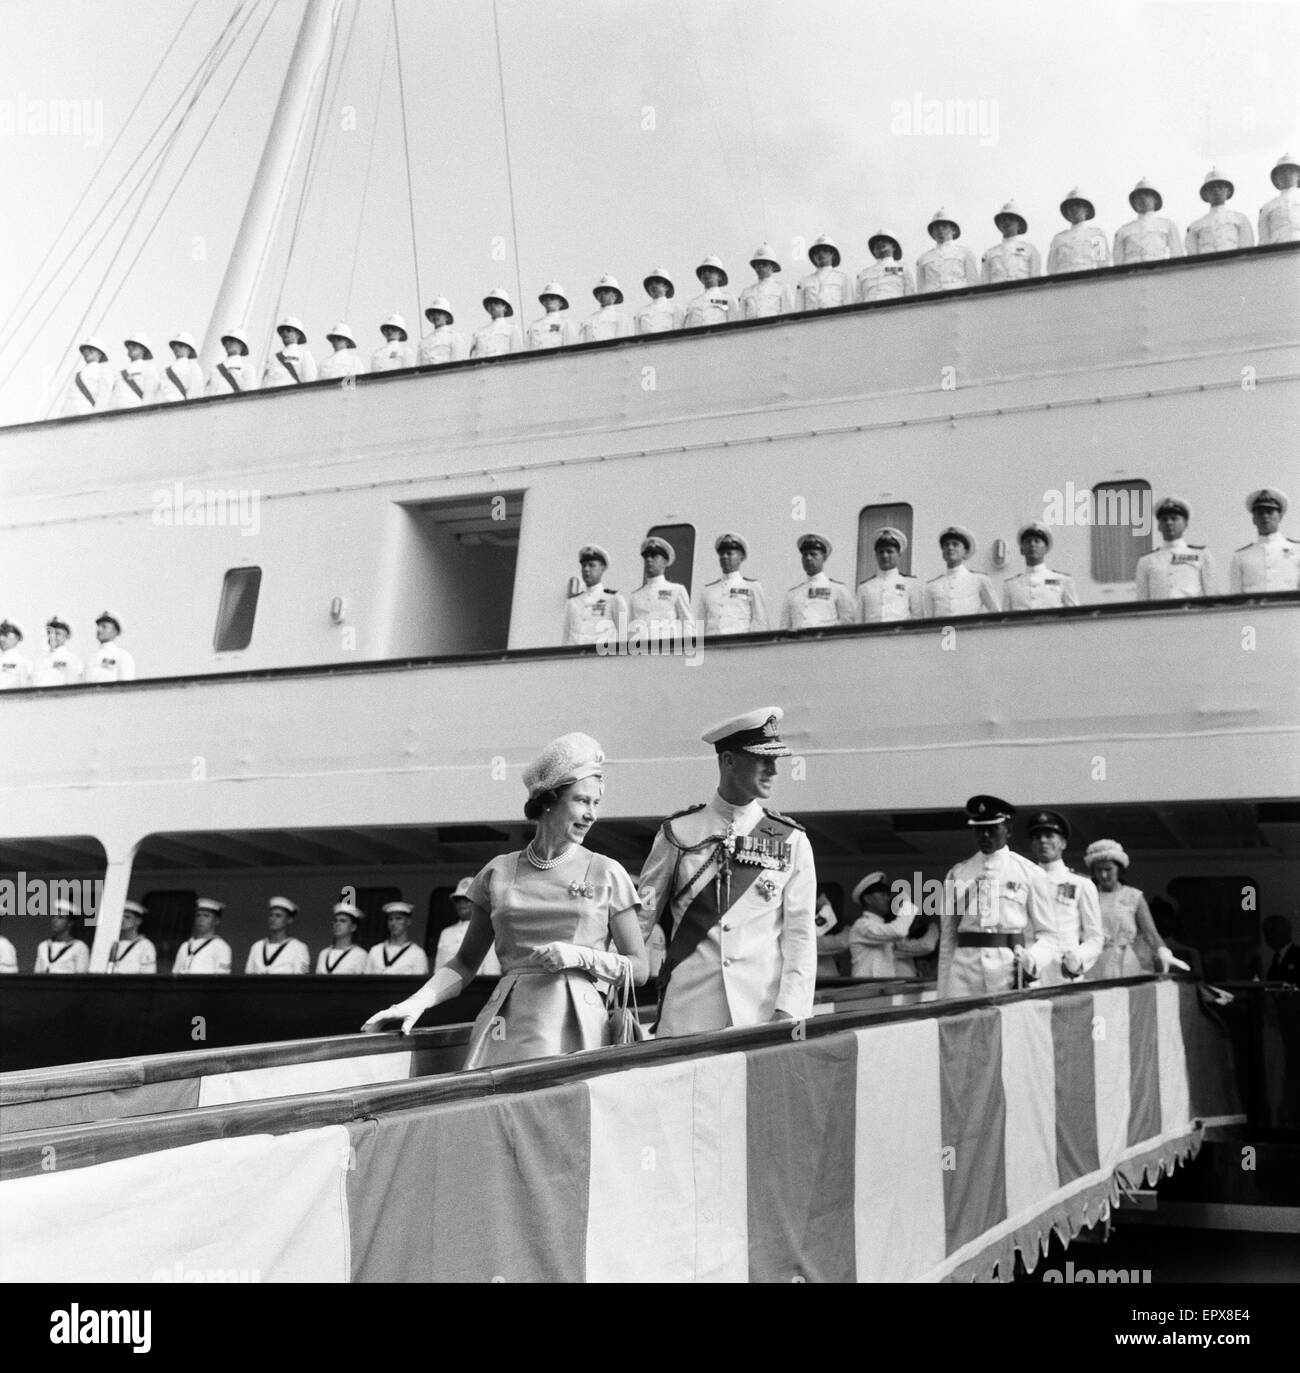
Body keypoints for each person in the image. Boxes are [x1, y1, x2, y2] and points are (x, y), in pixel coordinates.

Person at [362, 733, 648, 1067]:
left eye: (595, 804)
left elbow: (639, 969)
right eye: (582, 801)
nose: (592, 815)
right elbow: (466, 962)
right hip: (508, 1023)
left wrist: (581, 956)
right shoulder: (498, 872)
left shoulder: (606, 872)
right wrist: (417, 1001)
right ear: (549, 799)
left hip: (579, 1024)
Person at [637, 707, 816, 1035]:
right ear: (729, 760)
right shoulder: (678, 833)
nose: (773, 770)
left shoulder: (792, 840)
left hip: (759, 1015)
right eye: (762, 758)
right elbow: (641, 919)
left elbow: (800, 936)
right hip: (687, 1014)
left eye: (775, 760)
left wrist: (790, 1010)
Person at [937, 795, 1055, 999]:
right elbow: (948, 938)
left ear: (1008, 830)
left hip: (1007, 970)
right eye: (979, 829)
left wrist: (1032, 960)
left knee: (1010, 1028)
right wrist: (943, 990)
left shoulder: (1029, 873)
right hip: (963, 972)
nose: (984, 835)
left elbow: (1049, 935)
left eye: (992, 829)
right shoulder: (958, 873)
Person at [1082, 839, 1187, 980]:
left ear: (1119, 869)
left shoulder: (1134, 896)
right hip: (1094, 962)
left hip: (1128, 963)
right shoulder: (1089, 896)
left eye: (1108, 869)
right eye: (1098, 870)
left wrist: (1163, 952)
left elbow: (1150, 933)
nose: (1103, 875)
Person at [1026, 809, 1103, 985]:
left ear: (1063, 843)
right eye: (1037, 837)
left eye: (1049, 835)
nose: (1043, 841)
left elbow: (1095, 937)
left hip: (1064, 971)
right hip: (1030, 972)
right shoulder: (1024, 881)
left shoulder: (1081, 884)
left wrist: (1077, 959)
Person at [844, 872, 934, 978]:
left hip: (882, 990)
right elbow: (899, 931)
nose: (887, 899)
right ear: (868, 899)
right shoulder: (862, 925)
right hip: (867, 990)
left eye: (887, 895)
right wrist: (907, 906)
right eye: (882, 895)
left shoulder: (883, 926)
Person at [1135, 497, 1216, 599]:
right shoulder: (1146, 561)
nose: (1169, 523)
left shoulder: (1201, 555)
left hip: (1191, 613)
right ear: (1159, 526)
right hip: (1160, 613)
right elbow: (1142, 600)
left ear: (1185, 524)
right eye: (1164, 519)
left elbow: (1211, 595)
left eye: (1174, 518)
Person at [779, 533, 856, 629]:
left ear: (824, 557)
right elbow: (784, 628)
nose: (808, 558)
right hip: (799, 642)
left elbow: (848, 624)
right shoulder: (792, 594)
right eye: (805, 555)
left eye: (813, 554)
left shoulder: (838, 589)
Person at [1229, 488, 1299, 593]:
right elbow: (1235, 596)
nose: (1265, 516)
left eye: (1270, 512)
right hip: (1253, 609)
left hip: (1287, 608)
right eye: (1260, 513)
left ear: (1280, 516)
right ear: (1253, 519)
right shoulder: (1241, 556)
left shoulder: (1297, 550)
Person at [699, 532, 768, 634]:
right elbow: (700, 623)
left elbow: (760, 623)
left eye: (729, 553)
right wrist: (697, 649)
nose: (724, 557)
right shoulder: (707, 590)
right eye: (722, 554)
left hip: (739, 645)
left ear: (741, 558)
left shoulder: (752, 586)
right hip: (713, 646)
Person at [923, 526, 1000, 617]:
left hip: (970, 630)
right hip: (944, 631)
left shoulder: (979, 580)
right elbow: (928, 621)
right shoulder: (932, 586)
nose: (950, 547)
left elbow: (997, 614)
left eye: (955, 544)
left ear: (965, 552)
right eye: (946, 545)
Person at [1002, 521, 1078, 610]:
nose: (1032, 544)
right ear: (1021, 549)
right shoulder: (1011, 585)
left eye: (1037, 541)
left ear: (1046, 549)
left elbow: (1074, 616)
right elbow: (1005, 620)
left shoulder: (1061, 581)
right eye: (1028, 541)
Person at [434, 878, 502, 975]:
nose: (462, 903)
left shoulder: (488, 931)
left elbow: (491, 972)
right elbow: (438, 970)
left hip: (475, 988)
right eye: (457, 900)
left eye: (467, 899)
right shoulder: (446, 933)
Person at [627, 535, 692, 637]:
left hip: (667, 650)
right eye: (646, 556)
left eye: (654, 556)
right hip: (640, 650)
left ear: (665, 562)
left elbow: (688, 625)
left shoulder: (676, 590)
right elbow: (630, 631)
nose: (649, 559)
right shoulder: (635, 596)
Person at [563, 544, 629, 645]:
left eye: (591, 565)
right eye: (584, 565)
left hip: (601, 658)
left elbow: (624, 637)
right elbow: (565, 638)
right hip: (575, 657)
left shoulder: (614, 600)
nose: (586, 569)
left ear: (602, 568)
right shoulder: (572, 602)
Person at [857, 526, 922, 622]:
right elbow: (858, 621)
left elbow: (918, 617)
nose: (885, 555)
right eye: (881, 552)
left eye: (889, 551)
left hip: (900, 635)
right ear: (876, 555)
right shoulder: (864, 588)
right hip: (872, 636)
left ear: (899, 554)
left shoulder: (911, 584)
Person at [1113, 179, 1183, 265]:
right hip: (1131, 274)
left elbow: (1177, 256)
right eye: (1138, 196)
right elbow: (1117, 263)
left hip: (1158, 271)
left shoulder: (1167, 225)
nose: (1142, 199)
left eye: (1146, 194)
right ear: (1133, 202)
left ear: (1155, 199)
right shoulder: (1123, 231)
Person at [1186, 168, 1254, 255]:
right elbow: (1192, 254)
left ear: (1228, 191)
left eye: (1220, 187)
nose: (1216, 191)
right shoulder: (1195, 226)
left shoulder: (1240, 219)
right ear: (1205, 194)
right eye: (1211, 188)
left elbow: (1247, 248)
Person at [1047, 189, 1111, 274]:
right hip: (1064, 281)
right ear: (1067, 212)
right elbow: (1052, 269)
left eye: (1078, 205)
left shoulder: (1096, 235)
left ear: (1086, 210)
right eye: (1070, 206)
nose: (1074, 209)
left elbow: (1102, 265)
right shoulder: (1058, 239)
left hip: (1088, 279)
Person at [916, 209, 979, 293]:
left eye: (944, 226)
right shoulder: (923, 259)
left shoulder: (965, 253)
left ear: (954, 230)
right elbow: (921, 288)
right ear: (932, 232)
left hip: (958, 299)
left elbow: (973, 282)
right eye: (936, 227)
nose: (940, 230)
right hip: (932, 301)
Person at [244, 896, 310, 975]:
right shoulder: (257, 947)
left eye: (278, 916)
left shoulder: (298, 948)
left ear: (289, 920)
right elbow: (248, 978)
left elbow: (301, 982)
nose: (273, 919)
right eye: (271, 915)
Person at [981, 201, 1041, 283]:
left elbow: (1036, 279)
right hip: (998, 294)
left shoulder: (1030, 250)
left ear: (1019, 225)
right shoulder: (989, 254)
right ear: (999, 225)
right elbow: (984, 283)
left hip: (1023, 293)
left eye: (1010, 219)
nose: (1006, 222)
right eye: (1003, 220)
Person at [365, 901, 430, 975]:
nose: (393, 923)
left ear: (408, 922)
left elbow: (419, 984)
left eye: (398, 919)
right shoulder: (375, 950)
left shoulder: (417, 953)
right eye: (390, 919)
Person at [173, 897, 232, 973]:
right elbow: (175, 973)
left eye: (206, 916)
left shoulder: (221, 947)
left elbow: (222, 978)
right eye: (198, 915)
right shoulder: (185, 945)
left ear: (216, 921)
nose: (201, 919)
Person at [794, 235, 852, 311]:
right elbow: (798, 310)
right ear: (813, 256)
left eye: (825, 250)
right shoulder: (804, 281)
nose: (820, 254)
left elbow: (849, 306)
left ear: (833, 254)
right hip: (811, 321)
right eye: (817, 251)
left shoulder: (842, 278)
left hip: (835, 320)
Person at [738, 244, 793, 318]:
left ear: (772, 266)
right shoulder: (746, 292)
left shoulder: (783, 289)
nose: (760, 267)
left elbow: (789, 317)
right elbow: (740, 320)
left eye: (764, 264)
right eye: (757, 264)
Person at [34, 901, 91, 973]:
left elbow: (82, 978)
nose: (55, 920)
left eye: (60, 917)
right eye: (53, 917)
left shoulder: (79, 947)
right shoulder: (43, 946)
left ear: (70, 923)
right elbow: (37, 973)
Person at [856, 231, 914, 302]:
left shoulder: (903, 268)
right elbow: (858, 299)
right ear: (873, 250)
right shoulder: (864, 273)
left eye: (885, 240)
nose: (879, 242)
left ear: (894, 247)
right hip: (870, 310)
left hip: (895, 308)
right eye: (876, 243)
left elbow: (910, 293)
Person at [680, 256, 737, 327]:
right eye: (703, 272)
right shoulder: (694, 303)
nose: (706, 274)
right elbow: (687, 328)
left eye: (710, 271)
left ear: (720, 276)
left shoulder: (728, 299)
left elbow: (735, 325)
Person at [316, 900, 370, 974]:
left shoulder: (360, 955)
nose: (337, 924)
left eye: (343, 921)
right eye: (335, 921)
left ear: (353, 927)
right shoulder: (324, 953)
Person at [1258, 152, 1300, 246]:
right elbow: (1264, 240)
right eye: (1282, 172)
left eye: (1291, 171)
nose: (1286, 174)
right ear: (1276, 178)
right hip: (1278, 253)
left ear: (1299, 175)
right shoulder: (1267, 207)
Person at [262, 316, 318, 387]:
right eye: (282, 330)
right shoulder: (273, 358)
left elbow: (310, 381)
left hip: (291, 395)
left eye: (288, 330)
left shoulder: (304, 355)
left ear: (298, 334)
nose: (285, 332)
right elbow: (265, 382)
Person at [64, 336, 114, 414]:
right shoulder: (77, 374)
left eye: (90, 350)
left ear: (99, 354)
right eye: (84, 351)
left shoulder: (103, 371)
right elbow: (70, 398)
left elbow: (105, 396)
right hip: (71, 414)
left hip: (88, 414)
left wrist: (97, 417)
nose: (86, 352)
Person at [112, 331, 160, 408]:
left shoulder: (149, 369)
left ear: (143, 349)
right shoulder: (119, 374)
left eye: (134, 346)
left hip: (135, 413)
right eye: (129, 346)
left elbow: (149, 396)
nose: (131, 348)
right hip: (117, 413)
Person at [107, 900, 157, 974]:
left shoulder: (145, 945)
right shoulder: (109, 942)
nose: (122, 920)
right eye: (120, 916)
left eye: (127, 917)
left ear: (138, 921)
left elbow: (148, 976)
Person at [85, 611, 136, 683]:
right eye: (98, 626)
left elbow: (126, 687)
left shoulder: (122, 656)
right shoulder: (91, 658)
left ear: (115, 631)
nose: (99, 629)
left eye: (104, 626)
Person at [579, 274, 632, 342]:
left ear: (615, 295)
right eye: (599, 291)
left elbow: (622, 344)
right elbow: (581, 345)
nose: (602, 294)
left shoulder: (621, 317)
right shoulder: (588, 320)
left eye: (606, 291)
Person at [205, 328, 259, 395]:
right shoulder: (214, 369)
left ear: (241, 345)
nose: (228, 343)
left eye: (232, 341)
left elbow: (250, 394)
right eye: (226, 342)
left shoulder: (247, 369)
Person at [470, 288, 522, 357]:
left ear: (505, 307)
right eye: (490, 303)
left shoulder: (512, 330)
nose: (492, 305)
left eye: (496, 303)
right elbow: (473, 357)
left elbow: (517, 356)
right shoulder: (479, 332)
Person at [526, 283, 578, 350]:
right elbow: (527, 349)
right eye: (546, 298)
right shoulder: (534, 325)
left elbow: (571, 349)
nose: (548, 300)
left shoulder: (565, 323)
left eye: (552, 298)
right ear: (543, 302)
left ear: (561, 303)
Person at [33, 616, 82, 687]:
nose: (52, 636)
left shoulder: (72, 660)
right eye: (50, 633)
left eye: (57, 633)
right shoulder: (40, 660)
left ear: (67, 636)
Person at [417, 298, 468, 364]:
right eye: (433, 313)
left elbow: (458, 364)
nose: (436, 315)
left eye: (439, 313)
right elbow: (418, 368)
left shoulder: (455, 337)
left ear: (447, 317)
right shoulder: (423, 342)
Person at [158, 331, 203, 402]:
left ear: (189, 349)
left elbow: (194, 393)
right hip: (163, 407)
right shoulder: (165, 370)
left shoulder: (193, 367)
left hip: (180, 407)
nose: (176, 347)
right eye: (175, 345)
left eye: (180, 345)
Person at [634, 268, 681, 334]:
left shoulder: (675, 308)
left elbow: (680, 334)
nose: (653, 285)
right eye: (650, 283)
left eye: (657, 281)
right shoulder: (641, 312)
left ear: (666, 287)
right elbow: (638, 337)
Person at [1262, 914, 1300, 984]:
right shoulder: (1277, 957)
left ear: (1284, 932)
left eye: (1271, 931)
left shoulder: (1297, 955)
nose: (1268, 937)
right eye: (1266, 933)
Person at [0, 621, 33, 690]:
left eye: (6, 635)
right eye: (0, 634)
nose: (1, 639)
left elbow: (26, 689)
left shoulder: (22, 662)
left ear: (17, 638)